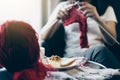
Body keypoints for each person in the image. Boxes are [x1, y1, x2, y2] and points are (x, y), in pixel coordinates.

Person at [40, 0, 120, 68]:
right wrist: (57, 19)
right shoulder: (64, 7)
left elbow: (112, 40)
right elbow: (43, 36)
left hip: (96, 57)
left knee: (99, 50)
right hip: (72, 57)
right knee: (100, 50)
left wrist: (97, 18)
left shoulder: (105, 8)